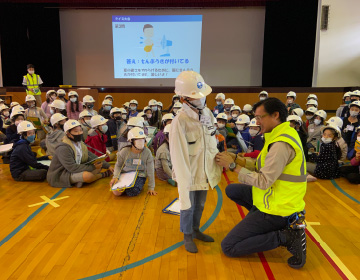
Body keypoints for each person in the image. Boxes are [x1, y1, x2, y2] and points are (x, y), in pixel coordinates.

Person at [215, 97, 307, 269]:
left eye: (259, 117)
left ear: (275, 115)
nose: (256, 122)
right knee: (232, 190)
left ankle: (286, 236)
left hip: (278, 207)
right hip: (274, 197)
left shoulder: (280, 144)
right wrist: (238, 159)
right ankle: (261, 222)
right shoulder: (279, 134)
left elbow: (263, 181)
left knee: (229, 247)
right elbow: (261, 166)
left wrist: (232, 166)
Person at [170, 71, 222, 253]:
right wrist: (184, 180)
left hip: (204, 170)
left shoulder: (207, 113)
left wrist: (217, 164)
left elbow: (211, 141)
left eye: (202, 96)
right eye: (195, 97)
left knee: (199, 205)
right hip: (188, 173)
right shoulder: (180, 122)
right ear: (184, 99)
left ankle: (196, 229)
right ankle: (187, 235)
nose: (200, 100)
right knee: (187, 205)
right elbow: (178, 156)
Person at [47, 119, 113, 188]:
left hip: (74, 169)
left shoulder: (80, 143)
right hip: (62, 174)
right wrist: (92, 167)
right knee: (88, 176)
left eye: (80, 130)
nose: (79, 133)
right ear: (68, 133)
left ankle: (79, 180)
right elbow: (72, 167)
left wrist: (108, 166)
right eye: (76, 131)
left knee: (99, 167)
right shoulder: (63, 147)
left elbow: (92, 156)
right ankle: (101, 175)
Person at [110, 127, 156, 196]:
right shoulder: (124, 151)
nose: (141, 142)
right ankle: (124, 187)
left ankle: (129, 188)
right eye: (137, 140)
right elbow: (118, 165)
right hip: (125, 175)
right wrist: (115, 177)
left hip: (140, 175)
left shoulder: (147, 153)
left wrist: (151, 187)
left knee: (132, 192)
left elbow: (150, 170)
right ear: (131, 141)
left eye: (142, 139)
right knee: (116, 193)